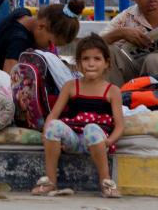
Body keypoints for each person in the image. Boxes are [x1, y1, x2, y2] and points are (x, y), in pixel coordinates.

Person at [33, 34, 123, 199]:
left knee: (92, 129)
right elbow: (53, 116)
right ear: (79, 63)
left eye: (97, 59)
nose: (91, 63)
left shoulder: (112, 91)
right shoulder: (70, 86)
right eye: (85, 59)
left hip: (97, 142)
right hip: (74, 140)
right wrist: (48, 135)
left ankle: (106, 182)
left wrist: (108, 142)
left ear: (106, 63)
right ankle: (50, 181)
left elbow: (119, 126)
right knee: (54, 126)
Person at [0, 0, 85, 72]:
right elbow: (8, 76)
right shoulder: (19, 40)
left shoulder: (22, 13)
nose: (50, 48)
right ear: (41, 26)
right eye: (49, 43)